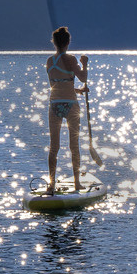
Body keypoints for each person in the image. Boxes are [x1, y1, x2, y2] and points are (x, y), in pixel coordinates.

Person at [44, 26, 89, 193]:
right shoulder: (71, 59)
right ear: (68, 42)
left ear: (54, 43)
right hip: (70, 105)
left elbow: (57, 85)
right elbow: (83, 77)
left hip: (55, 105)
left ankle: (51, 185)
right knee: (74, 146)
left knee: (54, 147)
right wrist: (84, 64)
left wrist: (78, 90)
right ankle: (77, 183)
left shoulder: (50, 61)